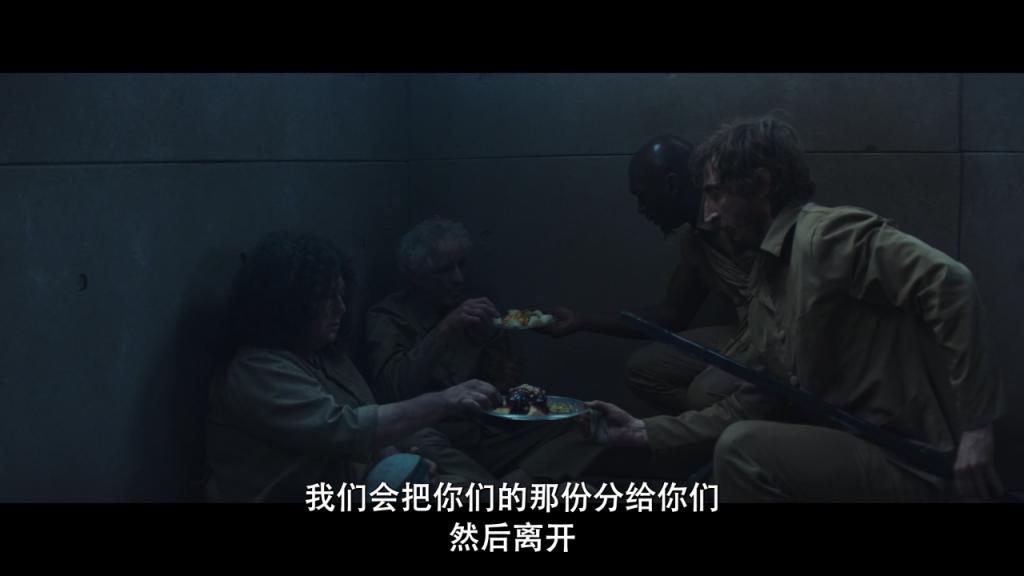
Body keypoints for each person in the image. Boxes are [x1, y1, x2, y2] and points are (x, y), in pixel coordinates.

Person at [584, 115, 1005, 502]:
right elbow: (749, 403)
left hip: (916, 460)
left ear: (761, 184)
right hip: (858, 446)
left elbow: (951, 283)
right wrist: (642, 431)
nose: (708, 215)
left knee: (740, 450)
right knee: (737, 440)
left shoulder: (823, 235)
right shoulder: (767, 279)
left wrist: (977, 431)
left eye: (716, 194)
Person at [205, 231, 501, 502]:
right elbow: (346, 429)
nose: (340, 307)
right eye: (326, 297)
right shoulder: (257, 368)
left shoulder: (326, 355)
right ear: (289, 303)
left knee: (462, 481)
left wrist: (401, 461)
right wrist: (443, 401)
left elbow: (366, 418)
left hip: (358, 484)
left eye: (341, 295)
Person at [366, 217, 601, 483]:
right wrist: (446, 328)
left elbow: (500, 390)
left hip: (486, 435)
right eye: (444, 270)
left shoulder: (475, 312)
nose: (458, 278)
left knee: (586, 421)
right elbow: (392, 391)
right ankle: (496, 490)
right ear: (416, 277)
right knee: (414, 440)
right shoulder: (388, 318)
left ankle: (507, 485)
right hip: (438, 437)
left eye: (461, 265)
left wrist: (504, 379)